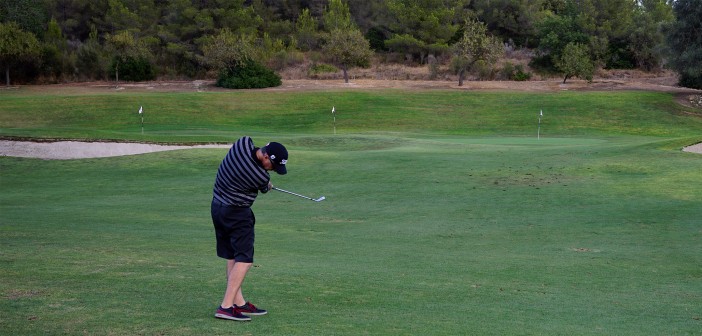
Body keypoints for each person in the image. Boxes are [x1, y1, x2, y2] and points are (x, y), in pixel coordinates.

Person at [211, 136, 288, 321]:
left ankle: (239, 303)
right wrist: (268, 184)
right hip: (236, 214)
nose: (273, 171)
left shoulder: (242, 143)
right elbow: (264, 186)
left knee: (233, 257)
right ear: (267, 158)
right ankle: (226, 307)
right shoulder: (260, 176)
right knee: (245, 260)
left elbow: (248, 149)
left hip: (217, 208)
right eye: (273, 166)